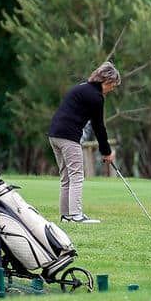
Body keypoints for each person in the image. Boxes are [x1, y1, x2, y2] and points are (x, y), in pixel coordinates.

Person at [47, 61, 120, 224]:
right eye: (113, 85)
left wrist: (104, 150)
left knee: (66, 176)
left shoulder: (82, 88)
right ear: (106, 81)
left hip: (54, 135)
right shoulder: (96, 97)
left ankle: (66, 215)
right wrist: (107, 152)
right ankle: (76, 215)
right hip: (68, 137)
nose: (112, 89)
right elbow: (99, 127)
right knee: (77, 176)